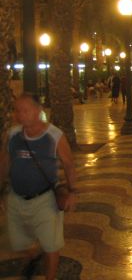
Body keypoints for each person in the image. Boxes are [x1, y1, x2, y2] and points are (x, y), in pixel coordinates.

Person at [0, 93, 78, 280]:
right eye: (17, 110)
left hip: (45, 199)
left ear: (38, 110)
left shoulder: (54, 135)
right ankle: (33, 253)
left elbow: (68, 164)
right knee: (18, 243)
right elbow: (5, 162)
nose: (20, 115)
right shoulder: (12, 135)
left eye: (25, 110)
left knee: (51, 245)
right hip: (16, 197)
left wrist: (73, 191)